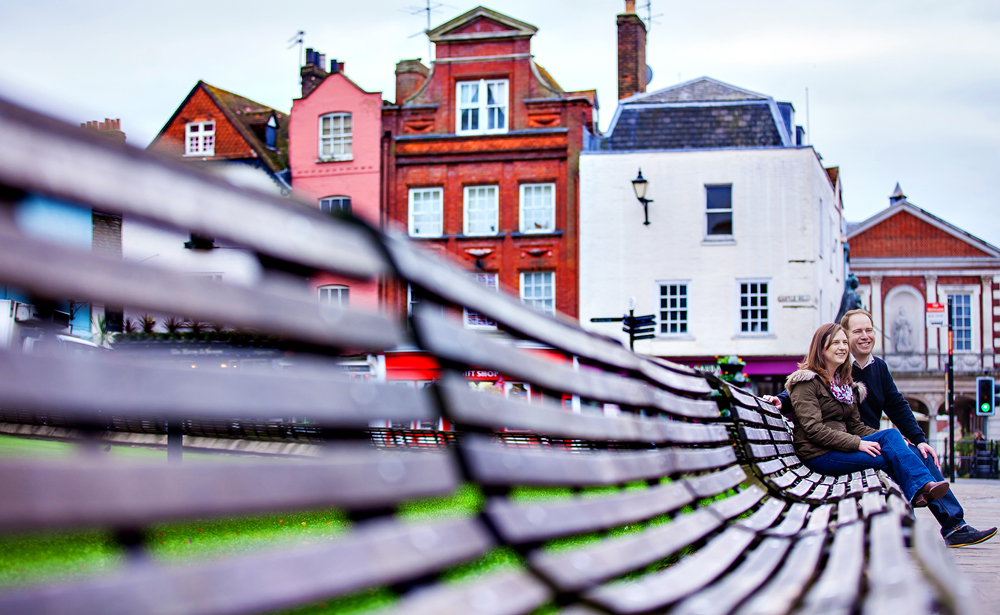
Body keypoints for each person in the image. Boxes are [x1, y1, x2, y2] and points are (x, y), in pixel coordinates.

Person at [767, 309, 997, 548]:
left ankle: (953, 525)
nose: (864, 336)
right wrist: (782, 400)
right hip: (835, 447)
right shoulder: (825, 373)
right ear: (833, 341)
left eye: (869, 330)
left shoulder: (859, 373)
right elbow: (805, 390)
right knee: (899, 456)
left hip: (859, 440)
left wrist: (918, 439)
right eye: (855, 332)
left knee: (918, 453)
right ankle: (911, 519)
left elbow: (896, 405)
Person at [783, 323, 949, 509]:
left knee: (892, 436)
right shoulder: (806, 382)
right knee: (887, 459)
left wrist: (893, 440)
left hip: (839, 448)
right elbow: (814, 430)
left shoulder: (844, 385)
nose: (843, 347)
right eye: (835, 343)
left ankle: (921, 490)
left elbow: (856, 426)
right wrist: (858, 443)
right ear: (821, 349)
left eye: (845, 342)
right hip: (819, 454)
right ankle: (918, 494)